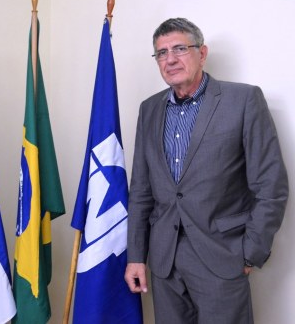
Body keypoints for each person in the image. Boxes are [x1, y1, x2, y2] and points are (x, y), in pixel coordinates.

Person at [124, 18, 289, 324]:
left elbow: (271, 185)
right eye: (161, 53)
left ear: (202, 53)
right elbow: (142, 190)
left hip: (222, 258)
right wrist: (136, 255)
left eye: (179, 48)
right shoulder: (150, 109)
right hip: (164, 262)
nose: (170, 59)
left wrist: (250, 251)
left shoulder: (243, 100)